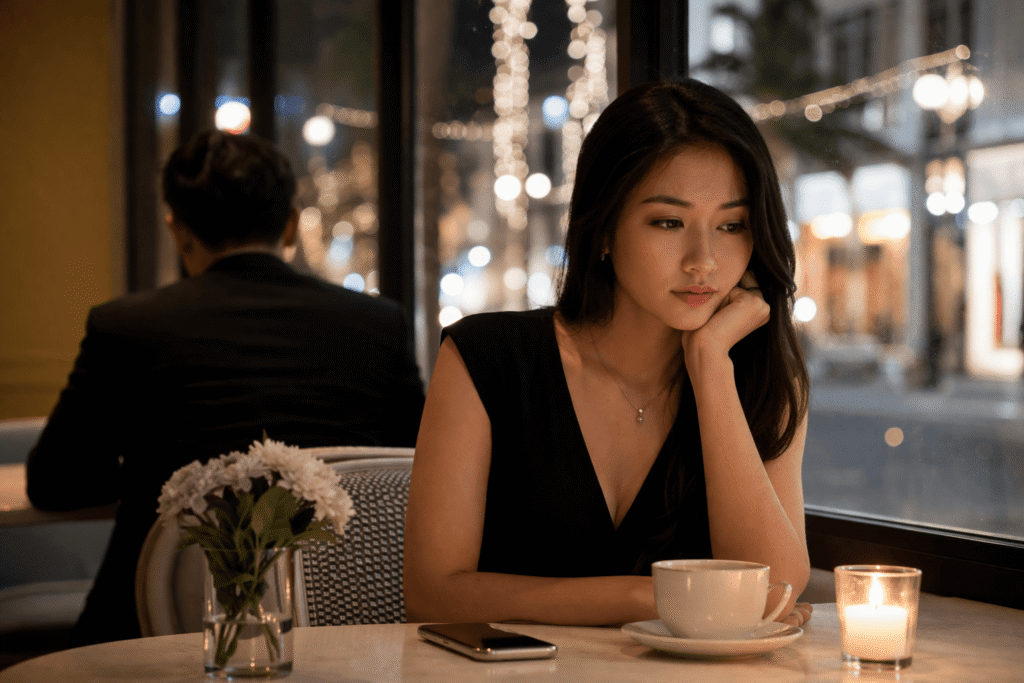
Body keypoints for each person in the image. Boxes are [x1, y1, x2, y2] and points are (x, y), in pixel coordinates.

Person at [404, 79, 812, 628]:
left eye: (732, 225)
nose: (704, 261)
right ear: (602, 229)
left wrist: (711, 367)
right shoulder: (488, 361)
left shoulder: (760, 378)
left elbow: (775, 588)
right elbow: (431, 593)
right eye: (669, 222)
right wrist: (642, 599)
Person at [26, 129, 425, 645]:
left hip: (155, 628)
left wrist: (163, 473)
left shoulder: (126, 326)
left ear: (178, 230)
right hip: (347, 619)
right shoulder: (377, 324)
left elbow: (55, 480)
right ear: (288, 226)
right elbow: (414, 466)